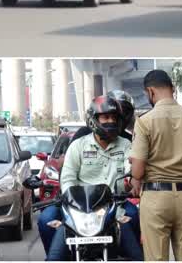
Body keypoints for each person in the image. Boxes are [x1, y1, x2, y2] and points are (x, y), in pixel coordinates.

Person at [40, 96, 143, 261]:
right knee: (45, 219)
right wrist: (72, 201)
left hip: (113, 208)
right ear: (93, 120)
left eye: (114, 117)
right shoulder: (78, 146)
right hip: (77, 209)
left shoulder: (126, 145)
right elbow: (67, 178)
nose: (110, 121)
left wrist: (131, 183)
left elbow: (129, 172)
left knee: (134, 222)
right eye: (105, 117)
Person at [130, 70, 182, 261]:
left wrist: (136, 175)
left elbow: (138, 170)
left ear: (150, 91)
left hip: (156, 198)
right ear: (172, 89)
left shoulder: (144, 121)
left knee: (157, 258)